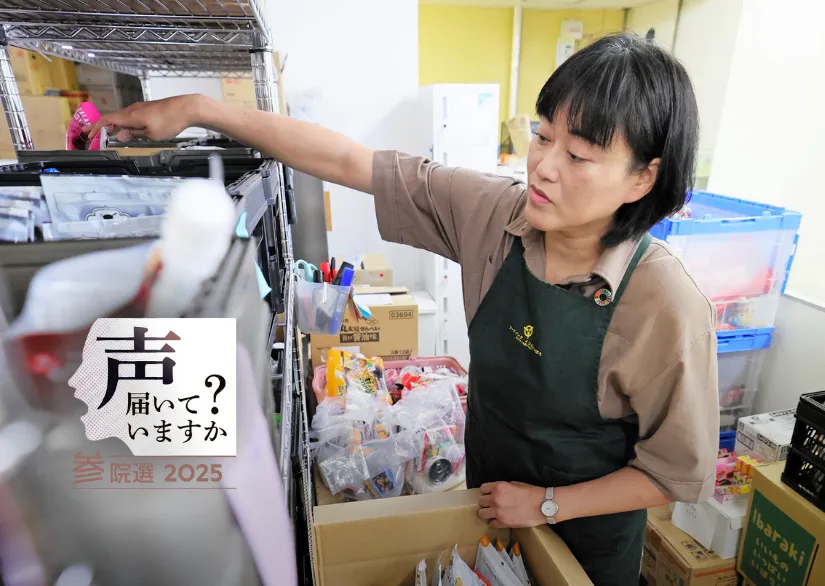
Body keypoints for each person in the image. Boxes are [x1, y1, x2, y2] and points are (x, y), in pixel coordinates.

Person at [89, 32, 719, 586]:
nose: (544, 168)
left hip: (583, 543)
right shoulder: (496, 215)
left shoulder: (663, 303)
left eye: (577, 156)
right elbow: (349, 161)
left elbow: (674, 473)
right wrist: (200, 110)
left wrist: (548, 503)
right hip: (486, 510)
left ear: (642, 178)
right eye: (541, 135)